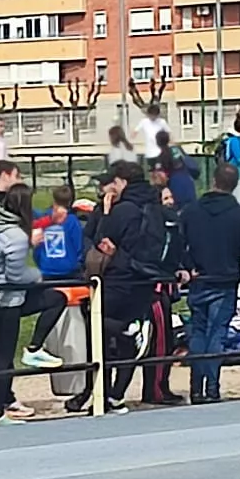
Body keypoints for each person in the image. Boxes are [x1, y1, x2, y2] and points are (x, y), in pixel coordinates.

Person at [89, 160, 180, 412]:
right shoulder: (155, 206)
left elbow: (102, 241)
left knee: (99, 330)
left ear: (123, 182)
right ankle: (116, 395)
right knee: (126, 343)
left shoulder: (123, 209)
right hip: (147, 280)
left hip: (120, 278)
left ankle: (103, 393)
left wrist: (106, 215)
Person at [179, 164, 240, 404]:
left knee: (198, 331)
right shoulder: (237, 213)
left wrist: (187, 265)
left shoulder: (192, 210)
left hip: (199, 279)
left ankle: (196, 387)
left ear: (213, 180)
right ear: (235, 184)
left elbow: (178, 241)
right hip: (226, 280)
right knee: (217, 332)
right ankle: (212, 387)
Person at [0, 183, 39, 424]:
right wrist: (36, 276)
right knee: (3, 356)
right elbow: (16, 275)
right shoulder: (15, 234)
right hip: (7, 299)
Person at [22, 183, 84, 370]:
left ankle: (38, 346)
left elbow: (37, 246)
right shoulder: (72, 221)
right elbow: (78, 247)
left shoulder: (43, 218)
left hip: (46, 273)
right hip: (68, 273)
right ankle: (36, 347)